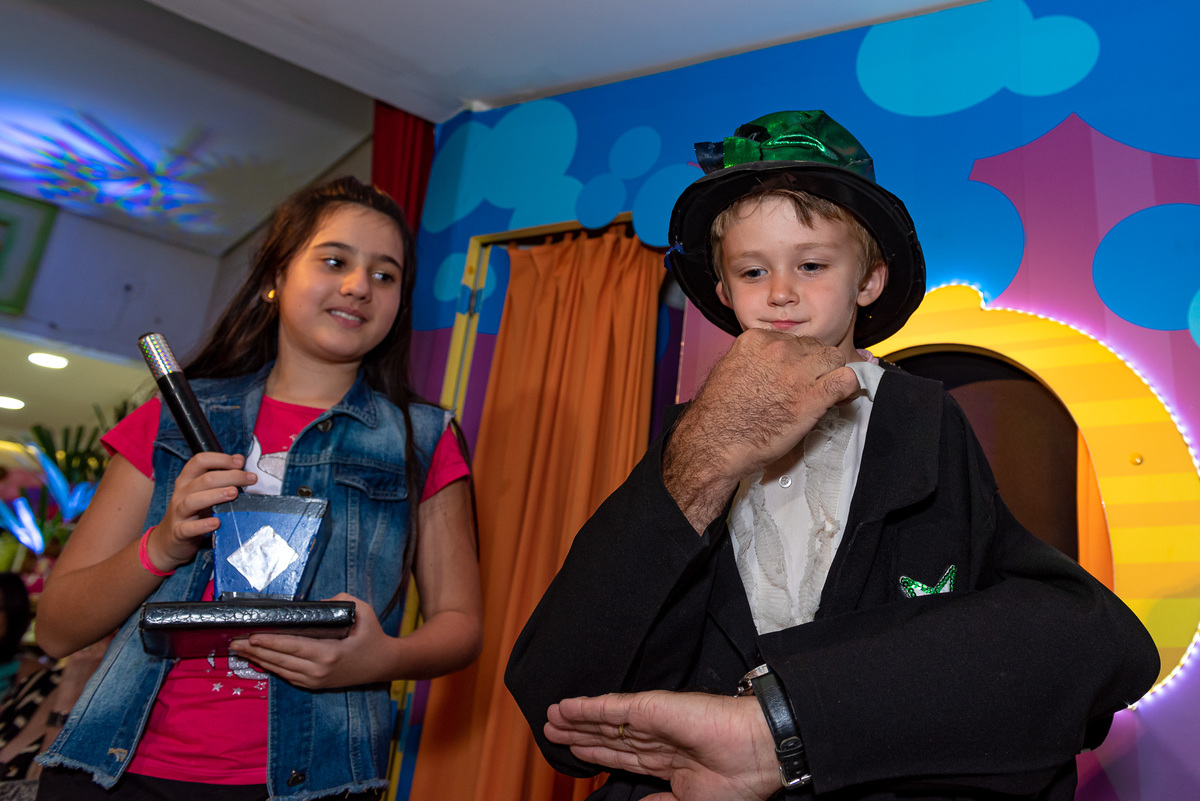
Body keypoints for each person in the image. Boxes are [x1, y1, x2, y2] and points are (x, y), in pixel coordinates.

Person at [505, 111, 1159, 801]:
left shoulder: (922, 417)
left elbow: (1050, 639)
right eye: (752, 270)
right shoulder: (689, 436)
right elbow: (564, 704)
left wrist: (801, 718)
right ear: (724, 294)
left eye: (812, 264)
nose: (780, 292)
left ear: (868, 279)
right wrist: (704, 453)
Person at [33, 176, 484, 800]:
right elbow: (56, 630)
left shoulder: (423, 438)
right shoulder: (169, 420)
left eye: (385, 275)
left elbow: (461, 624)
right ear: (277, 276)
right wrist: (162, 546)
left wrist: (381, 659)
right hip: (119, 770)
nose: (360, 285)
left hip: (316, 780)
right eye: (335, 261)